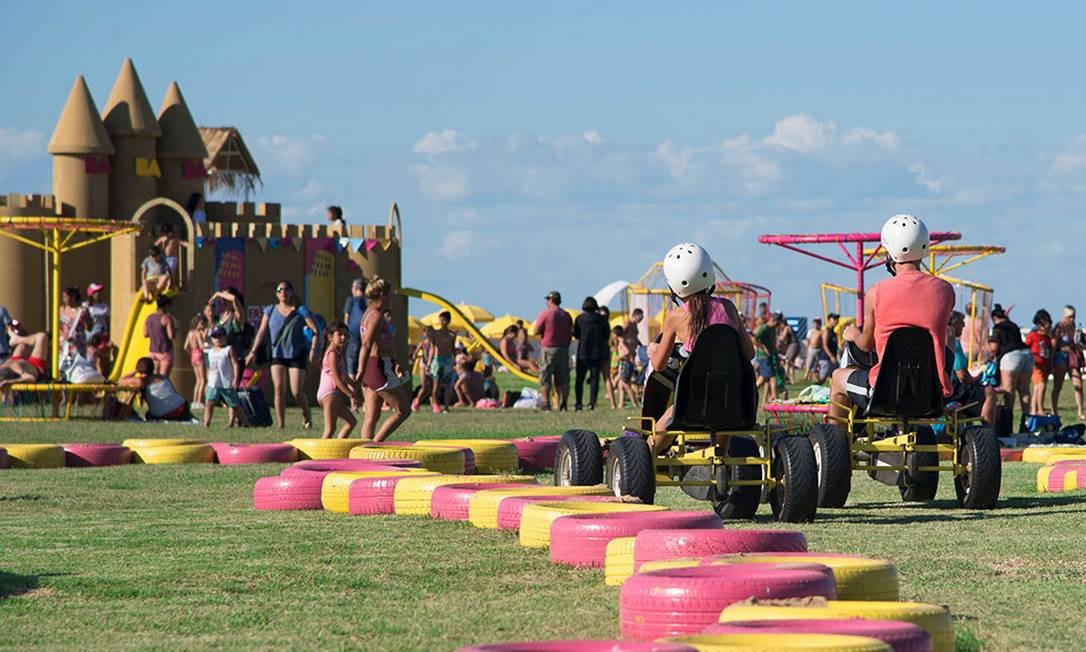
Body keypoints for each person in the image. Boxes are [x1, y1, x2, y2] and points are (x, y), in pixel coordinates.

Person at [829, 215, 955, 423]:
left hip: (883, 392)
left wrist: (853, 335)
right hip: (931, 392)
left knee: (837, 378)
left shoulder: (876, 292)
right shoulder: (946, 290)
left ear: (890, 253)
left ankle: (838, 447)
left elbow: (867, 344)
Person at [647, 243, 754, 453]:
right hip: (737, 403)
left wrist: (653, 351)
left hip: (692, 405)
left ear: (674, 285)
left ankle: (647, 457)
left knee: (667, 419)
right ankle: (720, 454)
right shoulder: (728, 308)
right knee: (723, 402)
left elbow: (659, 366)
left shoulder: (676, 317)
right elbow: (749, 353)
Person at [245, 280, 320, 430]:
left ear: (291, 292)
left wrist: (313, 350)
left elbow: (315, 330)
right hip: (277, 354)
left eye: (286, 290)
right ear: (276, 293)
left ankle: (306, 412)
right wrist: (252, 351)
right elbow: (261, 331)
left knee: (296, 391)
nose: (283, 293)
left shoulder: (300, 311)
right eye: (279, 290)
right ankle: (281, 424)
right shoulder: (270, 310)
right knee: (279, 388)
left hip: (296, 353)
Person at [355, 277, 411, 441]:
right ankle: (375, 444)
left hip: (374, 367)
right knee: (403, 410)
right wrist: (360, 370)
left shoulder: (368, 313)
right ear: (381, 294)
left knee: (372, 416)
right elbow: (366, 344)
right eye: (389, 294)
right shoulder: (376, 315)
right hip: (377, 367)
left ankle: (366, 452)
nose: (391, 297)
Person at [990, 303, 1032, 429]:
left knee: (1009, 390)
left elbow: (994, 348)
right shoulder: (1013, 326)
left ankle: (1007, 424)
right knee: (1024, 390)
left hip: (1010, 357)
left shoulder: (998, 328)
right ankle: (1026, 422)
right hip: (1026, 354)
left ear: (994, 318)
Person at [119, 356, 194, 422]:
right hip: (184, 408)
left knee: (149, 415)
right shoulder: (163, 378)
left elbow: (121, 380)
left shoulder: (140, 381)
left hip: (167, 414)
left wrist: (135, 371)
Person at [534, 290, 573, 411]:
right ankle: (564, 404)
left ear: (551, 300)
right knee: (563, 378)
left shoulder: (546, 314)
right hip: (563, 349)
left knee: (545, 377)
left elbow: (536, 331)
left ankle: (546, 403)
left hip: (548, 348)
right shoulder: (566, 315)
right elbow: (570, 332)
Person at [318, 321, 358, 438]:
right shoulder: (332, 354)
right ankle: (317, 456)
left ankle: (338, 451)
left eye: (346, 335)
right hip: (329, 393)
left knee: (351, 422)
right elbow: (337, 379)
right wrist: (352, 395)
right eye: (339, 334)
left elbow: (343, 375)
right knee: (329, 429)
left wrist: (354, 383)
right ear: (330, 337)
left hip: (330, 394)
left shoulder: (337, 353)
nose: (343, 338)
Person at [573, 296, 609, 411]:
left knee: (579, 380)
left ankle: (579, 403)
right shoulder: (602, 319)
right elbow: (606, 335)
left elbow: (576, 335)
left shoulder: (579, 319)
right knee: (594, 380)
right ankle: (592, 403)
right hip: (596, 353)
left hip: (582, 353)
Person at [1051, 305, 1086, 420]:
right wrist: (1051, 362)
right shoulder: (1058, 328)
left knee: (1078, 384)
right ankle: (1054, 410)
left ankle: (1080, 411)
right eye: (1070, 317)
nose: (1072, 319)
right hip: (1060, 357)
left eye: (1074, 317)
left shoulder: (1073, 326)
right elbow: (1054, 346)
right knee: (1058, 385)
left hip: (1072, 356)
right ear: (1065, 316)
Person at [203, 327, 240, 428]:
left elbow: (235, 364)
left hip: (226, 381)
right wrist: (207, 380)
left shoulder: (228, 349)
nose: (217, 339)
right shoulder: (210, 352)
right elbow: (208, 367)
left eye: (220, 336)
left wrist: (235, 378)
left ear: (225, 337)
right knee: (209, 402)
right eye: (215, 337)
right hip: (213, 382)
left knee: (231, 403)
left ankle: (231, 423)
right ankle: (206, 423)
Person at [428, 311, 457, 413]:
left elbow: (453, 348)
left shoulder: (452, 334)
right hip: (437, 360)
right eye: (440, 319)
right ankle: (435, 404)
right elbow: (432, 348)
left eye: (444, 319)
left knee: (447, 385)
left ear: (448, 321)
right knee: (436, 384)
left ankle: (446, 406)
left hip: (448, 360)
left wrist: (455, 360)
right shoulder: (435, 333)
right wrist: (429, 362)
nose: (442, 321)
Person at [1025, 309, 1053, 416]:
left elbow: (1049, 352)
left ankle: (1034, 409)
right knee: (1041, 386)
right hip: (1035, 366)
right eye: (1045, 324)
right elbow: (1026, 347)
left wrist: (1050, 366)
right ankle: (1040, 410)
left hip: (1044, 366)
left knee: (1038, 388)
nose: (1047, 327)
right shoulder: (1032, 336)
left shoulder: (1047, 338)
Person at [342, 278, 367, 378]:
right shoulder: (367, 302)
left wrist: (345, 334)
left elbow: (346, 318)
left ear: (356, 288)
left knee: (351, 363)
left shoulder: (351, 300)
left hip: (353, 334)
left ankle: (351, 391)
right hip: (365, 335)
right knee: (362, 364)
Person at [145, 295, 175, 377]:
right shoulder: (166, 318)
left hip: (153, 351)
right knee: (163, 379)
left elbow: (145, 334)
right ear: (166, 306)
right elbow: (171, 336)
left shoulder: (149, 318)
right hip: (165, 351)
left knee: (153, 377)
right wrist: (175, 330)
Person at [184, 314, 209, 409]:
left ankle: (194, 401)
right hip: (199, 353)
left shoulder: (190, 333)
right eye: (201, 323)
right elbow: (201, 345)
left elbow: (185, 347)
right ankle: (199, 401)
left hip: (193, 355)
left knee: (198, 380)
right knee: (202, 380)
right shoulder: (197, 333)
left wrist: (191, 353)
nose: (202, 325)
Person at [612, 325, 640, 409]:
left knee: (626, 385)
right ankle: (621, 404)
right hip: (624, 363)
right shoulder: (621, 341)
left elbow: (626, 352)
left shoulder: (621, 342)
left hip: (625, 364)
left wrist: (618, 357)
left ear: (615, 334)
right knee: (621, 386)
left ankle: (634, 403)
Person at [818, 313, 841, 382]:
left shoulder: (834, 332)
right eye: (834, 319)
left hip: (832, 359)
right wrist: (831, 356)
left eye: (837, 319)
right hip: (826, 359)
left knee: (836, 377)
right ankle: (813, 391)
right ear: (829, 320)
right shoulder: (827, 331)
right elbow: (824, 345)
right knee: (822, 379)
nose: (836, 320)